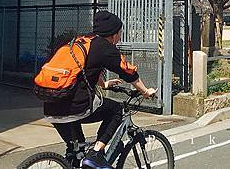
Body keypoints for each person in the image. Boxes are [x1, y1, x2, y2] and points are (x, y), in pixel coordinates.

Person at [43, 11, 157, 169]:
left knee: (77, 151)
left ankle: (79, 159)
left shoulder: (81, 42)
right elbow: (128, 72)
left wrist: (104, 84)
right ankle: (96, 153)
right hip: (75, 106)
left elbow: (85, 69)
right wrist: (145, 91)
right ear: (113, 33)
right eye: (120, 33)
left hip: (51, 104)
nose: (120, 37)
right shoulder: (104, 47)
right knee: (117, 110)